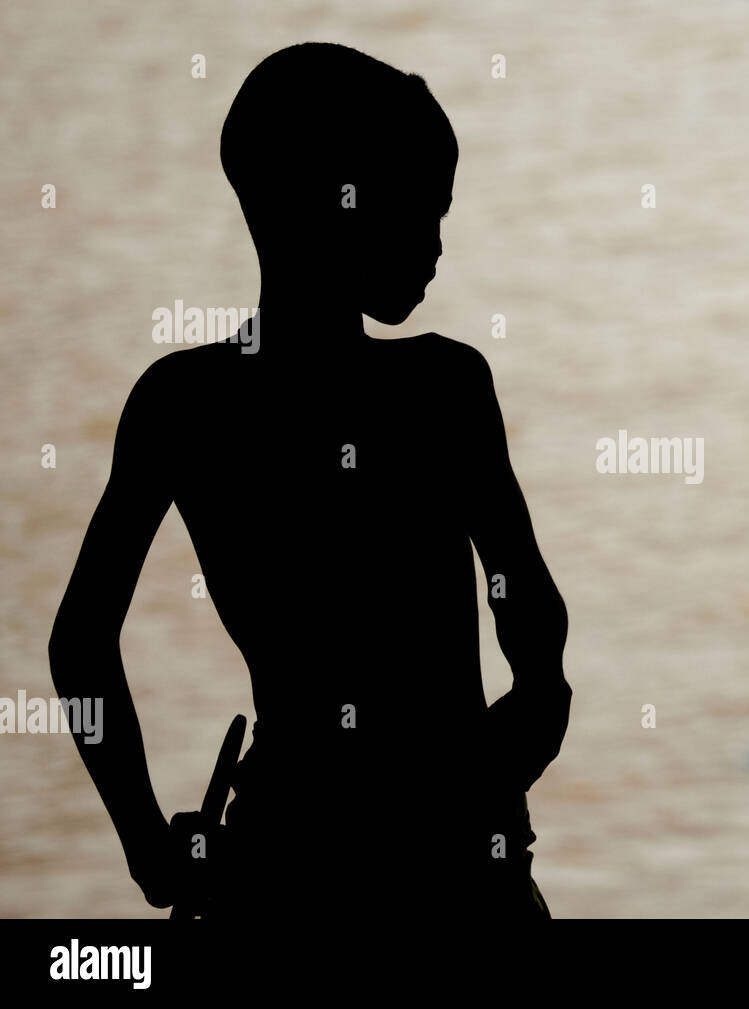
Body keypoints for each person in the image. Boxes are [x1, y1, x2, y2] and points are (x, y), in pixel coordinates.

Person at [48, 42, 571, 919]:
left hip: (280, 866)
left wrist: (149, 846)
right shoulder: (445, 388)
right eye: (423, 210)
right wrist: (496, 758)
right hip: (456, 878)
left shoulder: (181, 405)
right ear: (342, 206)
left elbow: (79, 645)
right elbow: (536, 636)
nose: (439, 243)